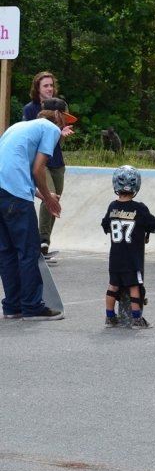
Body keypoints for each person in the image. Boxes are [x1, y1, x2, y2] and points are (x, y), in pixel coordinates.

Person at [0, 99, 75, 320]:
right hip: (16, 196)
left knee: (7, 253)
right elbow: (37, 169)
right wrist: (51, 201)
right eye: (65, 121)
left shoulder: (18, 127)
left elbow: (16, 169)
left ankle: (12, 307)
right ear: (59, 115)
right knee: (28, 251)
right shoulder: (50, 128)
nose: (63, 128)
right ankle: (32, 307)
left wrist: (44, 196)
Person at [101, 165, 155, 329]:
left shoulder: (112, 206)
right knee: (134, 286)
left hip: (115, 258)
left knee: (113, 286)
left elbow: (105, 224)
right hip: (132, 259)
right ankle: (136, 319)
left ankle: (110, 317)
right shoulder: (139, 208)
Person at [22, 71, 75, 256]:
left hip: (57, 160)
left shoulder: (60, 106)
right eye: (46, 85)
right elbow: (30, 138)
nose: (50, 89)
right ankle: (42, 242)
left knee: (55, 199)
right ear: (37, 88)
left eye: (51, 85)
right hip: (40, 160)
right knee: (48, 195)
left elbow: (59, 141)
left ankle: (45, 242)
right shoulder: (30, 109)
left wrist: (62, 134)